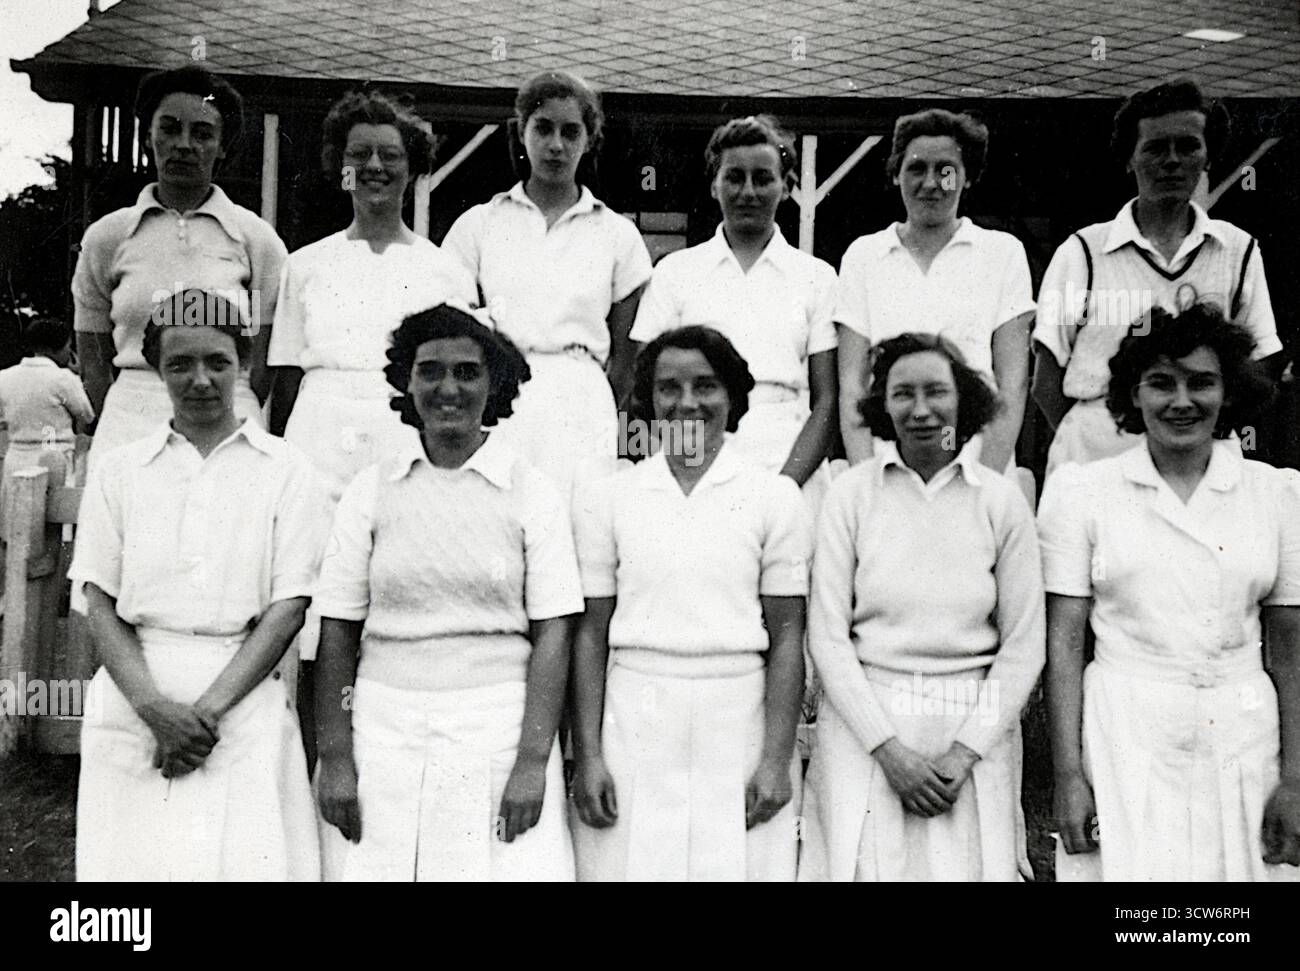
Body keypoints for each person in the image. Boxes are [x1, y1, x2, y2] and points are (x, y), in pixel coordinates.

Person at [314, 303, 582, 881]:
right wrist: (336, 757)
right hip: (383, 728)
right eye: (430, 371)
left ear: (494, 384)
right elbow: (337, 630)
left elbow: (554, 634)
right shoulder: (371, 490)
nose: (448, 388)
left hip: (496, 729)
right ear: (406, 382)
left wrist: (533, 761)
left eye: (467, 372)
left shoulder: (532, 492)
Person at [68, 290, 323, 881]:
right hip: (137, 695)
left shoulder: (286, 470)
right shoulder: (122, 469)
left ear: (243, 363)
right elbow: (98, 602)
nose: (201, 380)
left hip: (239, 694)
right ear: (157, 368)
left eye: (218, 361)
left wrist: (202, 716)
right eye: (181, 364)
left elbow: (288, 608)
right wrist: (156, 710)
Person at [1040, 303, 1300, 881]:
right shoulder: (1084, 492)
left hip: (1242, 735)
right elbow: (1063, 645)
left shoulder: (1278, 494)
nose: (1181, 401)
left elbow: (1289, 649)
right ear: (1133, 395)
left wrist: (1297, 781)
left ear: (1229, 392)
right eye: (1161, 383)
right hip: (1125, 733)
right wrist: (1068, 775)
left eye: (1201, 382)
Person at [800, 333, 1044, 881]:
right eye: (902, 394)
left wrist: (964, 754)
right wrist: (889, 753)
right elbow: (828, 638)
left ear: (965, 401)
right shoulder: (851, 495)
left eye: (937, 392)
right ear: (882, 406)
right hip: (867, 727)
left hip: (973, 727)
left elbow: (1025, 647)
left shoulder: (1001, 501)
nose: (921, 410)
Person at [570, 326, 811, 881]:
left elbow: (789, 636)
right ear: (649, 400)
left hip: (738, 718)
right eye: (668, 388)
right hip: (635, 714)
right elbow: (590, 633)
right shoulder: (610, 497)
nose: (687, 404)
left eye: (706, 386)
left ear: (733, 396)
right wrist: (589, 756)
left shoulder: (774, 497)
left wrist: (775, 760)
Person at [267, 89, 476, 665]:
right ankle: (314, 744)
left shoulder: (444, 271)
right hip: (319, 439)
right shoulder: (304, 265)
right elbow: (284, 378)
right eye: (361, 154)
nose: (376, 167)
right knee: (315, 592)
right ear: (342, 166)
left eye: (391, 155)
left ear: (412, 168)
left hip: (402, 437)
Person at [1033, 80, 1283, 477]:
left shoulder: (1238, 249)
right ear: (1130, 159)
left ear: (1207, 157)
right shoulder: (1082, 251)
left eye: (1187, 146)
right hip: (1098, 454)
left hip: (1203, 451)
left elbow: (1262, 363)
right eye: (1155, 147)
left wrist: (1202, 424)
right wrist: (1102, 436)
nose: (1172, 160)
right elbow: (1046, 378)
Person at [441, 70, 652, 497]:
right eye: (543, 129)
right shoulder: (479, 225)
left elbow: (629, 353)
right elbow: (452, 327)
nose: (556, 145)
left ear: (588, 140)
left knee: (582, 524)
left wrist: (594, 399)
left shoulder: (617, 234)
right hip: (501, 395)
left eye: (571, 132)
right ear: (522, 133)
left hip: (583, 399)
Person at [72, 65, 285, 467]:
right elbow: (94, 358)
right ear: (147, 136)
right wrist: (123, 412)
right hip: (130, 416)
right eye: (169, 129)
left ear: (222, 146)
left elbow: (262, 359)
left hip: (226, 411)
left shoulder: (256, 238)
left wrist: (235, 397)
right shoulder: (108, 236)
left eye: (203, 134)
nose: (184, 145)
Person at [628, 116, 837, 504]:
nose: (748, 191)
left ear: (787, 187)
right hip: (697, 448)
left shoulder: (817, 277)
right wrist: (686, 472)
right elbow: (645, 386)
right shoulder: (675, 272)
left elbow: (827, 400)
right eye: (734, 177)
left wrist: (786, 486)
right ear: (714, 184)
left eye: (763, 178)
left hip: (788, 457)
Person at [835, 109, 1034, 473]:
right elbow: (851, 384)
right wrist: (867, 476)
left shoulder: (1002, 253)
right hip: (887, 457)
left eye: (945, 170)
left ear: (967, 178)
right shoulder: (864, 256)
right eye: (915, 168)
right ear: (896, 174)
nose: (930, 182)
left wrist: (984, 479)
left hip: (974, 455)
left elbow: (1013, 382)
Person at [0, 317, 94, 511]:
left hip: (16, 458)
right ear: (57, 348)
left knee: (16, 523)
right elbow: (87, 415)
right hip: (55, 459)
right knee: (55, 524)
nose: (70, 351)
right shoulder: (63, 378)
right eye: (68, 346)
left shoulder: (4, 377)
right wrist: (76, 377)